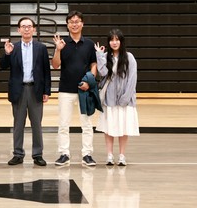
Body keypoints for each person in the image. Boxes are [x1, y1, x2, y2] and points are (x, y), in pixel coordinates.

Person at [0, 17, 51, 166]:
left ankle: (37, 154)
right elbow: (3, 66)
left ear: (34, 29)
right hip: (19, 90)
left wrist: (46, 90)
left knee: (37, 124)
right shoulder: (13, 47)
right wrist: (7, 54)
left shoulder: (41, 48)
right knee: (18, 124)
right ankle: (18, 154)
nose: (27, 29)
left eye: (29, 26)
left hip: (35, 89)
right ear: (19, 30)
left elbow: (46, 71)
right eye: (23, 26)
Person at [52, 10, 98, 166]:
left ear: (82, 24)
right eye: (71, 21)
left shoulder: (90, 44)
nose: (74, 24)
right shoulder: (62, 43)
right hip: (66, 89)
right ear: (67, 24)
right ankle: (64, 153)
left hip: (85, 90)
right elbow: (55, 65)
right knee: (64, 124)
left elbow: (93, 64)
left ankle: (87, 154)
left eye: (77, 21)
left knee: (86, 124)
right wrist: (58, 49)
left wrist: (89, 82)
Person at [95, 29, 140, 166]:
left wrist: (126, 97)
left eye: (117, 39)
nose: (114, 42)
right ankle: (109, 155)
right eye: (111, 40)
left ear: (121, 41)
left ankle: (121, 155)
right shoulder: (106, 56)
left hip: (125, 100)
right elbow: (102, 73)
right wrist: (99, 55)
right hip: (109, 99)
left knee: (123, 127)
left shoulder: (129, 57)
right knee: (109, 128)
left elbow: (132, 79)